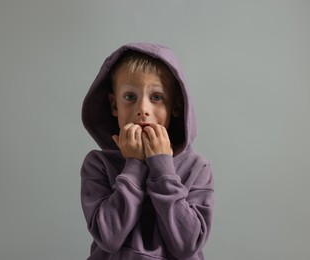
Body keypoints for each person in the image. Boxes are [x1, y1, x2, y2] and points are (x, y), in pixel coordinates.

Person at [81, 42, 214, 260]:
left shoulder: (197, 168)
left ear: (176, 107)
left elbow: (187, 246)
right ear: (114, 105)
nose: (143, 109)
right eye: (130, 97)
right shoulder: (97, 164)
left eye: (157, 97)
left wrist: (162, 167)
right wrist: (134, 164)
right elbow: (108, 237)